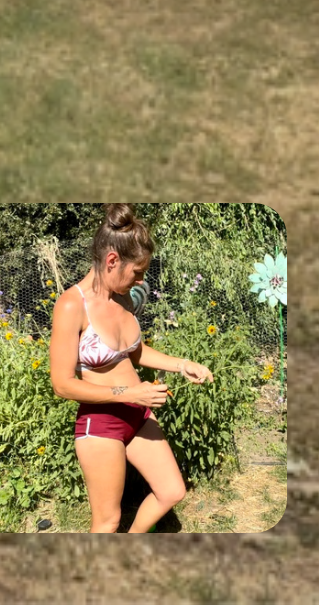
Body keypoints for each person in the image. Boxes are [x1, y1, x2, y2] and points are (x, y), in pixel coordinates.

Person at [47, 204, 214, 532]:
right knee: (108, 521)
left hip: (138, 413)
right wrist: (130, 393)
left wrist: (182, 365)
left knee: (171, 491)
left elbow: (134, 352)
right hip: (101, 423)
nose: (141, 280)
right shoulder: (71, 305)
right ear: (112, 260)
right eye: (137, 272)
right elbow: (62, 384)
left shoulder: (121, 297)